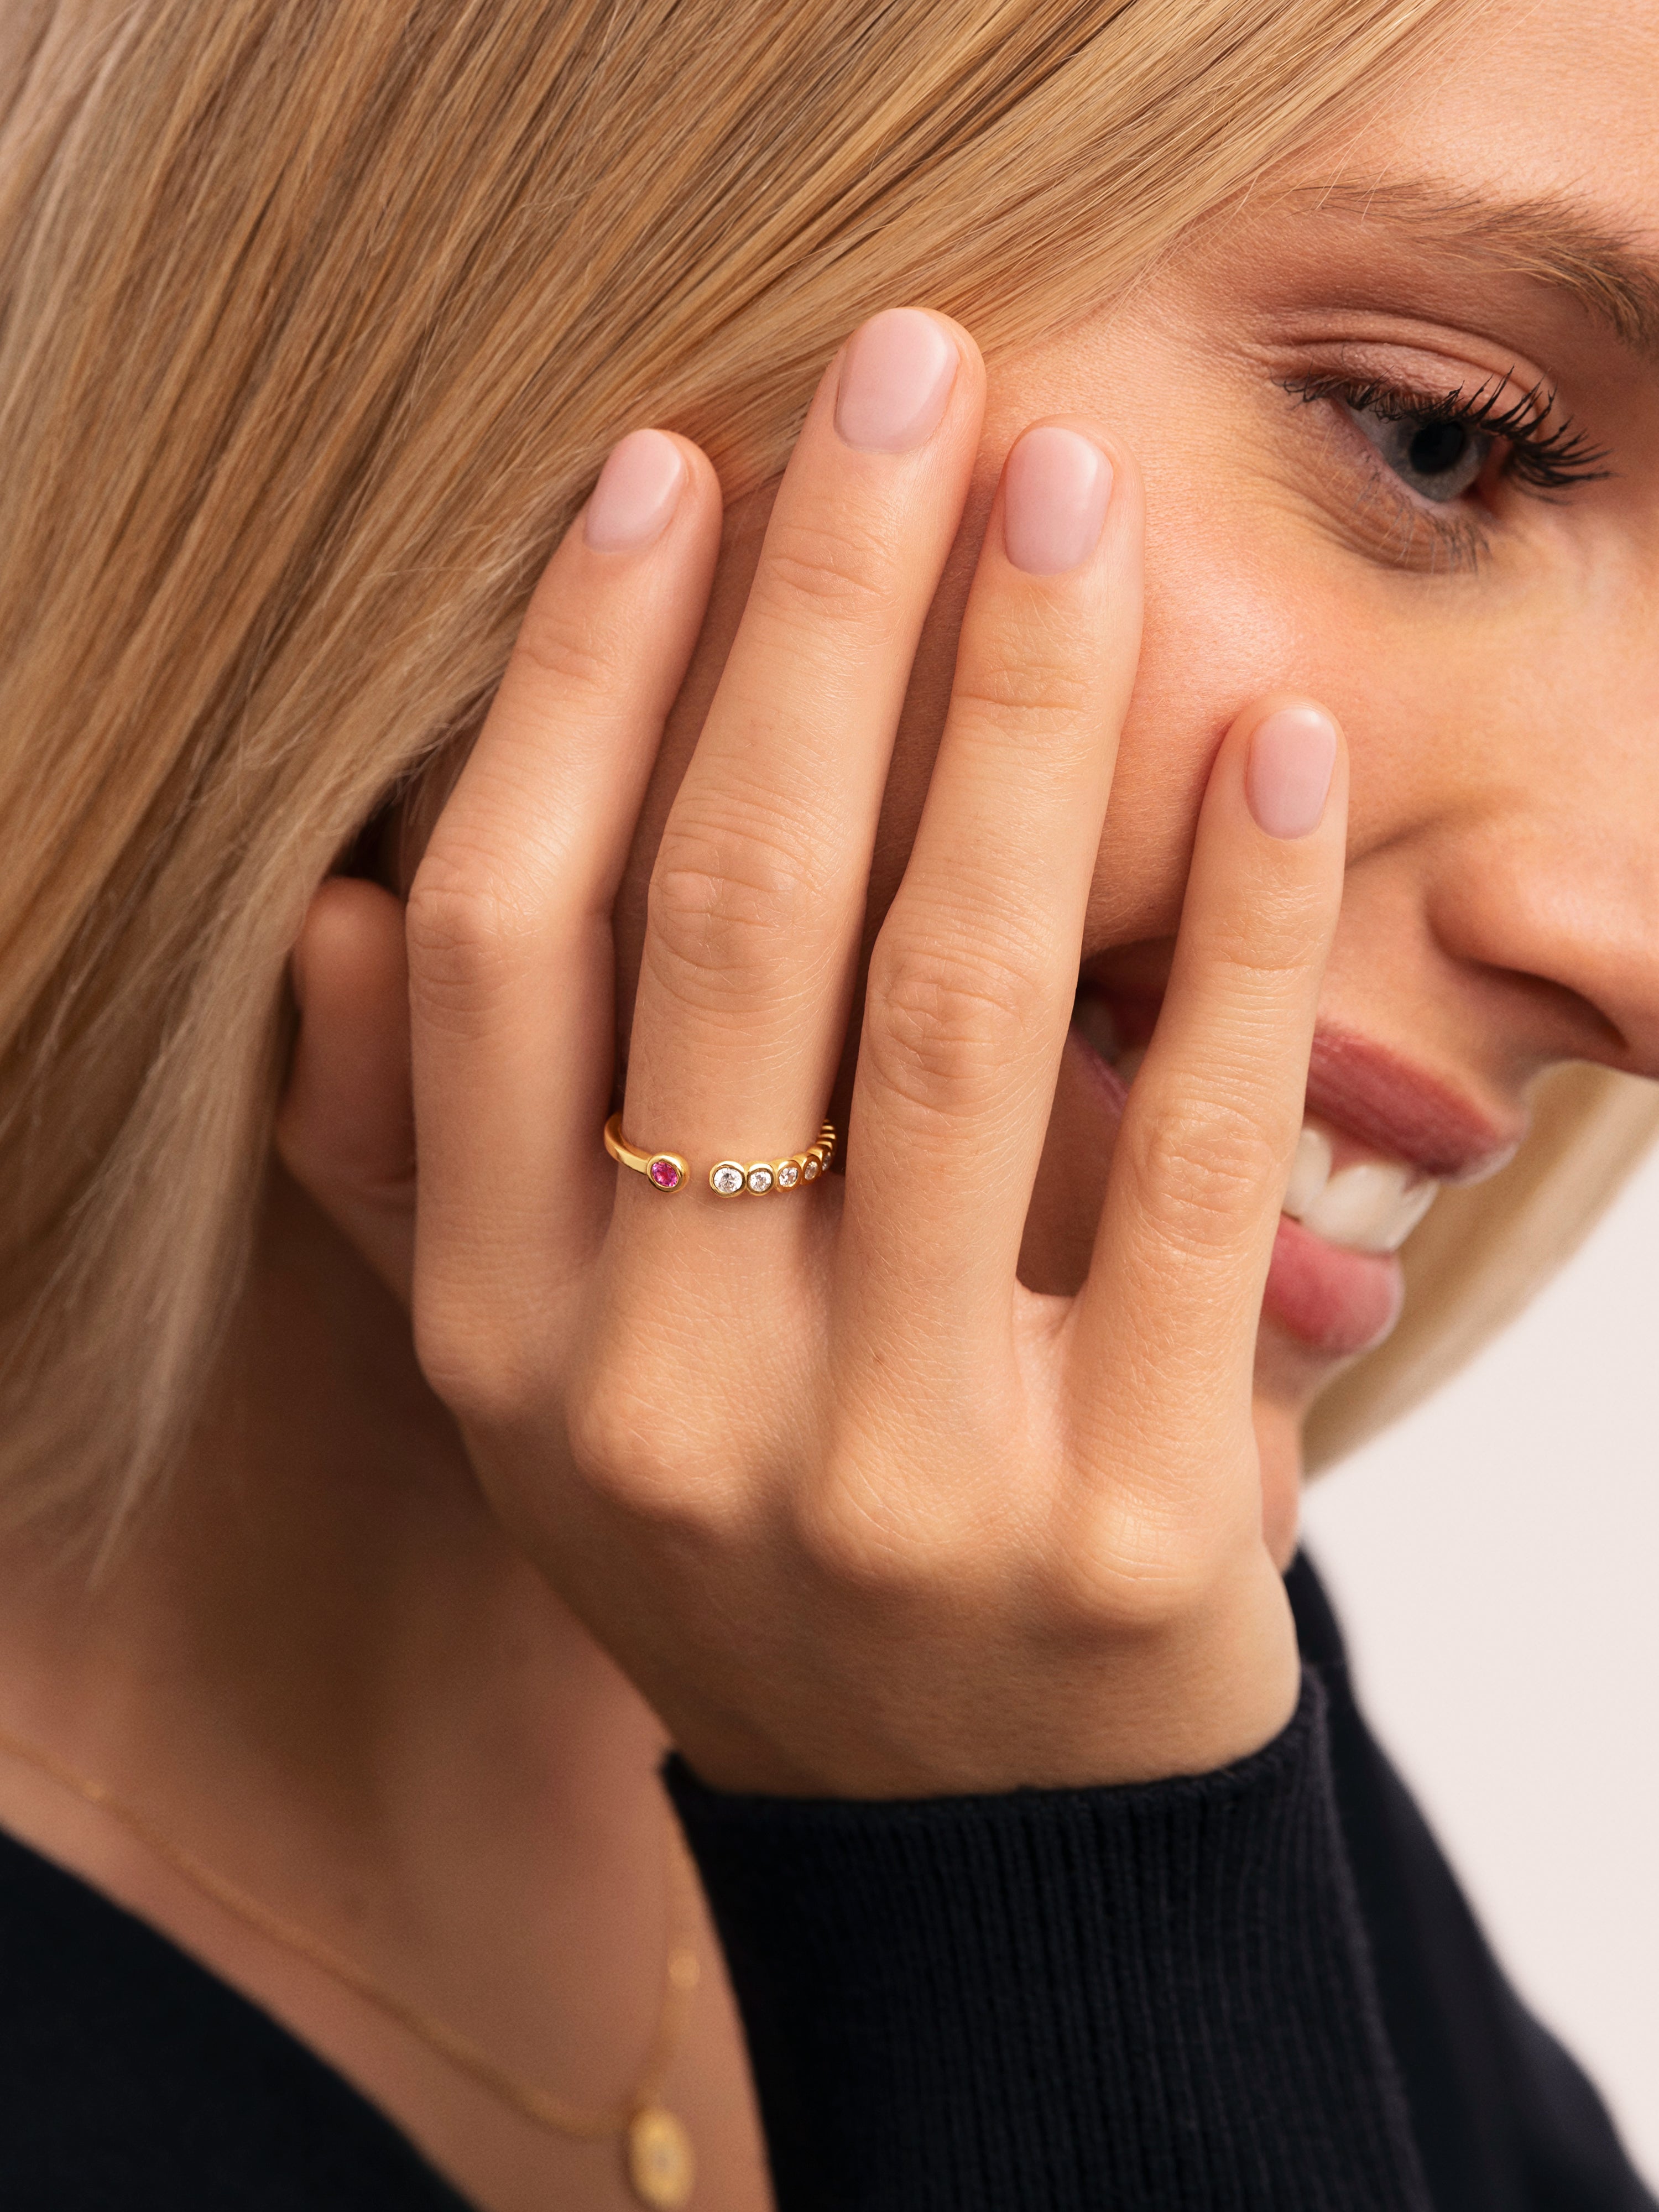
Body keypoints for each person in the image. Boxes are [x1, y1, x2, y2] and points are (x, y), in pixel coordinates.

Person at [0, 0, 1653, 2205]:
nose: (1631, 957)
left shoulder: (1074, 1629)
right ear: (533, 252)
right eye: (1442, 443)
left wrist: (1060, 1845)